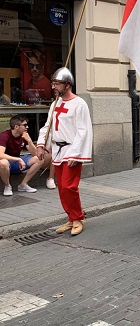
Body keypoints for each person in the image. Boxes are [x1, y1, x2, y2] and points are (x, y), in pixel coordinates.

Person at [36, 67, 93, 236]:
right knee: (62, 187)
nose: (53, 86)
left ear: (67, 85)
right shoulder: (55, 103)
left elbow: (83, 130)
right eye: (53, 83)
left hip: (71, 149)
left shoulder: (79, 104)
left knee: (69, 186)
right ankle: (71, 218)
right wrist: (41, 145)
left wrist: (76, 154)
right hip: (58, 150)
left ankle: (78, 218)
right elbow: (48, 127)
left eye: (57, 83)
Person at [0, 115, 51, 196]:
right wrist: (18, 159)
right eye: (24, 125)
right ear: (16, 126)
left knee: (39, 159)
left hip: (18, 163)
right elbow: (0, 155)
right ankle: (7, 186)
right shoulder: (4, 136)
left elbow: (36, 155)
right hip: (7, 163)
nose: (27, 127)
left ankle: (23, 185)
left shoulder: (24, 136)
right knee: (3, 162)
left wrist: (30, 141)